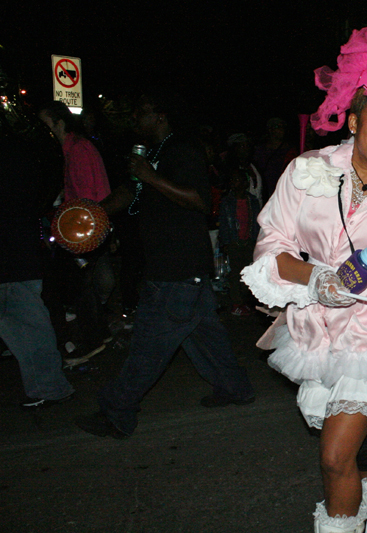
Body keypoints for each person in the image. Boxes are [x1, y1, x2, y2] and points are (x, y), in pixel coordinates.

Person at [241, 10, 367, 532]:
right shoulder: (308, 171)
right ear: (353, 120)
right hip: (315, 331)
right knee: (361, 441)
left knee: (335, 456)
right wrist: (317, 281)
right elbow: (272, 245)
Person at [74, 94, 255, 439]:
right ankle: (236, 388)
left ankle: (117, 411)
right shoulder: (154, 153)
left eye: (141, 113)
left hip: (176, 267)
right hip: (183, 268)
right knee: (206, 337)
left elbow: (200, 201)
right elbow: (130, 191)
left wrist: (151, 177)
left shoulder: (181, 150)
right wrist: (93, 213)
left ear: (160, 116)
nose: (134, 120)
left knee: (148, 346)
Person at [0, 111, 74, 408]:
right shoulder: (22, 151)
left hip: (11, 258)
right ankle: (48, 386)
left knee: (28, 327)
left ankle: (51, 387)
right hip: (18, 255)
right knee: (25, 328)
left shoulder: (12, 155)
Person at [38, 101, 114, 361]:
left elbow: (84, 200)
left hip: (85, 229)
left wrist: (69, 233)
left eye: (46, 124)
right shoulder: (74, 148)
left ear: (59, 123)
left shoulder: (77, 149)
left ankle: (92, 340)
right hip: (92, 225)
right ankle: (100, 333)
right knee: (89, 283)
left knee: (81, 286)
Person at [218, 168, 259, 316]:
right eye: (232, 180)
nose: (234, 183)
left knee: (247, 273)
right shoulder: (227, 202)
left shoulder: (252, 201)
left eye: (237, 180)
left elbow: (257, 223)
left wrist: (256, 241)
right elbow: (223, 223)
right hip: (234, 242)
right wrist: (226, 243)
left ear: (245, 182)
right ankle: (236, 303)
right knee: (235, 274)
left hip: (248, 242)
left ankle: (243, 302)